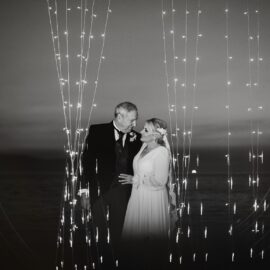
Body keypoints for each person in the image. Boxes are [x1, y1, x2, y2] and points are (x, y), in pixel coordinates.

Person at [80, 102, 142, 266]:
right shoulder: (96, 131)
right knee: (97, 232)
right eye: (132, 120)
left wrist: (135, 177)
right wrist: (84, 191)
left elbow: (143, 164)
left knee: (118, 234)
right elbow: (86, 161)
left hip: (122, 192)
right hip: (98, 190)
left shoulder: (136, 138)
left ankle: (115, 263)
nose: (135, 124)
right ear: (119, 116)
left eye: (136, 120)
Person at [119, 118, 173, 269]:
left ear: (156, 135)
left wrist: (136, 179)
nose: (141, 131)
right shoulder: (143, 146)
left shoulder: (161, 152)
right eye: (143, 128)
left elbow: (160, 181)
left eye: (146, 130)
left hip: (152, 199)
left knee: (151, 243)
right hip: (137, 197)